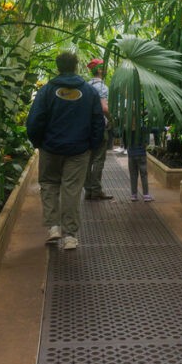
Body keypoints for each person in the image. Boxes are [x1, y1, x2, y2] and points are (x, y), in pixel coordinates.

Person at [26, 51, 105, 250]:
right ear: (76, 67)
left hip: (51, 148)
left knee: (49, 185)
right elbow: (98, 122)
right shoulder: (89, 92)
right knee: (71, 190)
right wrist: (92, 146)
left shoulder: (46, 91)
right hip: (79, 150)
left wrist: (39, 142)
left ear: (58, 67)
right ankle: (70, 236)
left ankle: (53, 227)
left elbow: (35, 120)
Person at [83, 58, 114, 200]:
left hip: (86, 128)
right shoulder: (102, 87)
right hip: (99, 127)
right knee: (98, 160)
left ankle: (88, 190)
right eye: (104, 67)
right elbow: (104, 108)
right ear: (100, 70)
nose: (106, 69)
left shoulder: (86, 85)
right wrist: (112, 119)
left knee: (88, 159)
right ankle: (96, 190)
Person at [124, 120, 154, 202]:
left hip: (131, 155)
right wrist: (164, 128)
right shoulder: (142, 127)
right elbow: (153, 129)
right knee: (143, 174)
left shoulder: (127, 128)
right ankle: (146, 195)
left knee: (133, 174)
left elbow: (118, 133)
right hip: (141, 154)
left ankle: (134, 195)